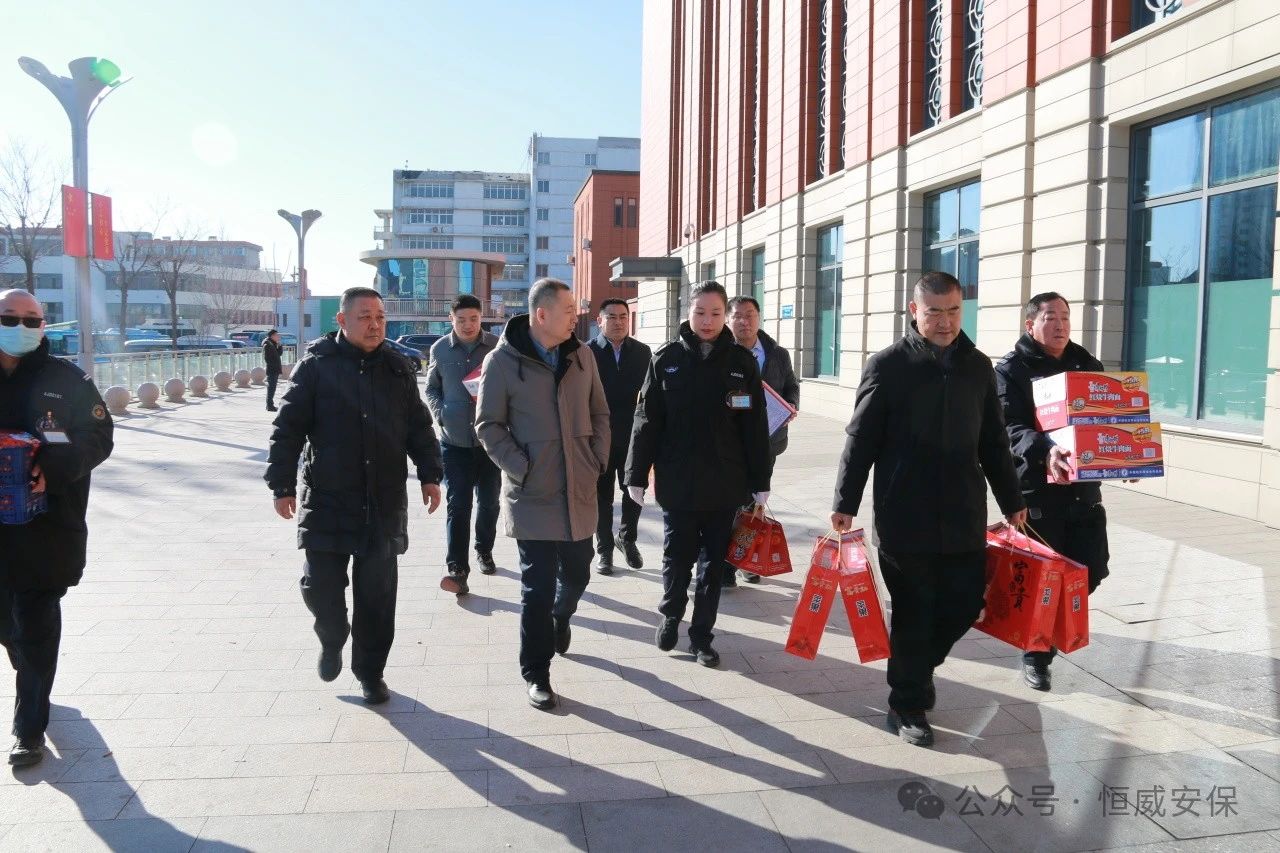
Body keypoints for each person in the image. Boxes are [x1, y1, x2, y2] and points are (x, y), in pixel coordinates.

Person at [831, 272, 1026, 748]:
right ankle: (907, 704)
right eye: (934, 311)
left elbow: (994, 442)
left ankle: (918, 669)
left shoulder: (977, 367)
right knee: (914, 612)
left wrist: (1012, 501)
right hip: (904, 514)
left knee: (965, 603)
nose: (945, 321)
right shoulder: (888, 366)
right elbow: (861, 439)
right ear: (914, 311)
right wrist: (845, 502)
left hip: (962, 511)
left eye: (954, 310)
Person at [266, 287, 443, 706]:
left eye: (380, 316)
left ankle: (371, 673)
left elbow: (418, 427)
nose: (375, 324)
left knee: (377, 597)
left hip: (383, 501)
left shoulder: (397, 369)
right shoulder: (315, 368)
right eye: (365, 316)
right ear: (342, 320)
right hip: (327, 499)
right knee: (320, 587)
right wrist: (282, 484)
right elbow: (287, 429)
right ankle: (332, 636)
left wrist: (430, 475)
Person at [476, 278, 610, 710]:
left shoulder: (582, 355)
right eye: (568, 309)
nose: (575, 316)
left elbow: (600, 412)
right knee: (536, 588)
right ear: (541, 314)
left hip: (579, 486)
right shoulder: (502, 362)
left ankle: (561, 616)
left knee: (578, 574)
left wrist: (596, 458)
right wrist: (521, 466)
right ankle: (537, 673)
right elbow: (488, 425)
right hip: (533, 492)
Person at [626, 281, 772, 669]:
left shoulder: (741, 363)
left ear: (725, 316)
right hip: (678, 481)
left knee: (714, 565)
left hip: (725, 484)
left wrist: (760, 482)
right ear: (688, 314)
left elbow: (755, 427)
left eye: (716, 313)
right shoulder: (666, 359)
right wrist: (635, 475)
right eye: (700, 313)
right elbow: (646, 421)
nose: (707, 321)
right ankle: (671, 612)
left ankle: (702, 636)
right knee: (677, 556)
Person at [0, 289, 113, 767]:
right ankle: (29, 669)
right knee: (11, 627)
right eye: (10, 318)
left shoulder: (66, 379)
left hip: (45, 528)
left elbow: (99, 436)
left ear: (44, 325)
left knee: (35, 622)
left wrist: (52, 466)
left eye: (32, 320)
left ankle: (29, 729)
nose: (21, 327)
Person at [995, 291, 1115, 693]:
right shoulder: (1011, 370)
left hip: (1083, 491)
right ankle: (1037, 654)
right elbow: (1007, 429)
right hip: (1038, 493)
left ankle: (1050, 631)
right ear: (1031, 325)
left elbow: (1105, 418)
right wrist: (1045, 450)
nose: (1061, 324)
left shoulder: (1086, 364)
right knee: (1042, 578)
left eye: (1065, 316)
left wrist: (1123, 458)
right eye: (1051, 317)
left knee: (1090, 570)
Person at [425, 295, 501, 595]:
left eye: (473, 319)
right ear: (451, 319)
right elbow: (432, 387)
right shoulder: (440, 349)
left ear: (481, 318)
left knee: (489, 502)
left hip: (490, 442)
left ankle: (484, 549)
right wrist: (441, 413)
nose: (468, 325)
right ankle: (457, 568)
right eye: (461, 320)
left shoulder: (497, 346)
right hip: (453, 441)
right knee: (458, 505)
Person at [722, 294, 799, 586]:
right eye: (738, 316)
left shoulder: (777, 353)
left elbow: (791, 385)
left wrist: (791, 405)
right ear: (728, 320)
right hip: (731, 443)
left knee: (755, 500)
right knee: (730, 501)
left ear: (758, 317)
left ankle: (746, 559)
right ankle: (725, 563)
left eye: (750, 315)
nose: (744, 321)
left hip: (768, 442)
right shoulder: (721, 354)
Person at [586, 298, 651, 576]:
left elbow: (650, 395)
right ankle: (604, 551)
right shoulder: (586, 352)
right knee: (601, 497)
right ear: (599, 321)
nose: (618, 322)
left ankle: (627, 538)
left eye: (623, 316)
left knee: (634, 491)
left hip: (633, 437)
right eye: (611, 317)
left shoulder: (642, 352)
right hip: (598, 438)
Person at [263, 329, 284, 411]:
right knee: (271, 388)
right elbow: (267, 359)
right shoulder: (267, 345)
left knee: (273, 388)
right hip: (272, 370)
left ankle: (270, 405)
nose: (278, 336)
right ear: (272, 336)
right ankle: (269, 406)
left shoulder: (273, 343)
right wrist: (274, 366)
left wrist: (280, 345)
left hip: (275, 369)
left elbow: (279, 354)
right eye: (277, 335)